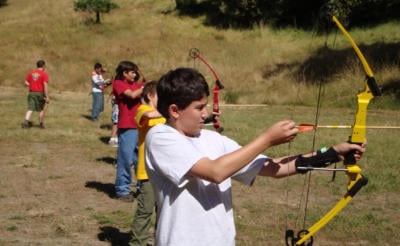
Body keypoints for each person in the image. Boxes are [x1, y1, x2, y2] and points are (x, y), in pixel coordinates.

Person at [145, 67, 366, 246]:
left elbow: (274, 168)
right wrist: (267, 138)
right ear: (175, 111)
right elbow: (215, 172)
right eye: (199, 107)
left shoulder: (213, 139)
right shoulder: (160, 137)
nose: (206, 113)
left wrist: (334, 153)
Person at [130, 81, 165, 246]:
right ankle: (137, 243)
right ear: (150, 96)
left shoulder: (165, 115)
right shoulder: (143, 109)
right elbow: (148, 117)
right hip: (148, 173)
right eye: (162, 95)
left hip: (165, 172)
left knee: (164, 212)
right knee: (145, 211)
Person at [112, 61, 144, 202]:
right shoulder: (119, 84)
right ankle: (122, 189)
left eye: (135, 72)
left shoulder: (136, 85)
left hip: (139, 125)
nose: (135, 74)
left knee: (140, 159)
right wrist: (145, 86)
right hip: (127, 126)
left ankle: (141, 187)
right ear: (124, 73)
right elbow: (132, 95)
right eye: (132, 72)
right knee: (125, 159)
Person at [22, 60, 50, 129]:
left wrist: (31, 85)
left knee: (30, 108)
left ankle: (25, 122)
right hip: (40, 93)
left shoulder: (31, 73)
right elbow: (45, 85)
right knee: (41, 109)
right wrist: (47, 96)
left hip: (31, 93)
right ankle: (41, 124)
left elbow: (25, 82)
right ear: (43, 66)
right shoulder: (44, 74)